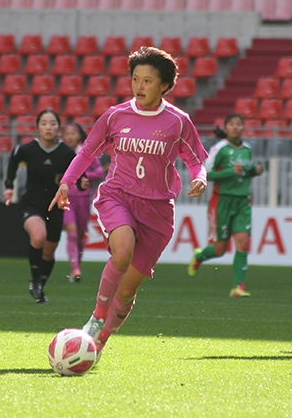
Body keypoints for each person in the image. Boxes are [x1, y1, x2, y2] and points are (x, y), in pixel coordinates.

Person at [49, 46, 208, 363]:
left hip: (158, 210)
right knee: (122, 252)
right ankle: (95, 319)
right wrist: (66, 181)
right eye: (136, 78)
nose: (140, 86)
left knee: (127, 291)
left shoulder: (178, 121)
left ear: (164, 85)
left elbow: (195, 159)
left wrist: (200, 177)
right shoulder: (115, 115)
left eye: (148, 80)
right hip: (117, 195)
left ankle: (101, 341)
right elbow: (87, 153)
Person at [3, 109, 79, 304]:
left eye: (53, 123)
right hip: (32, 203)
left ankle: (41, 288)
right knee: (38, 236)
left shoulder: (66, 153)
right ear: (37, 127)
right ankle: (35, 280)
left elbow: (77, 173)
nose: (48, 127)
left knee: (49, 252)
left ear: (58, 128)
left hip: (55, 206)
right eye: (44, 123)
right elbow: (13, 159)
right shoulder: (28, 149)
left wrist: (80, 183)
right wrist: (8, 186)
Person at [187, 113, 264, 297]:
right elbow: (207, 173)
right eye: (232, 124)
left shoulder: (247, 149)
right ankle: (199, 256)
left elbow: (244, 172)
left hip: (242, 201)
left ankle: (238, 287)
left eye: (239, 124)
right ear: (226, 128)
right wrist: (230, 171)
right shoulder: (219, 149)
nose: (236, 127)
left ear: (243, 127)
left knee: (243, 243)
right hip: (222, 201)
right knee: (220, 249)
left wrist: (254, 171)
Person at [61, 123, 105, 282]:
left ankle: (76, 267)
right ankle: (75, 269)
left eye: (73, 133)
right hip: (66, 199)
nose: (70, 137)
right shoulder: (61, 153)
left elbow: (99, 172)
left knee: (79, 235)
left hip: (83, 199)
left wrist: (87, 176)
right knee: (72, 232)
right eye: (67, 134)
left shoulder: (86, 153)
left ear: (79, 135)